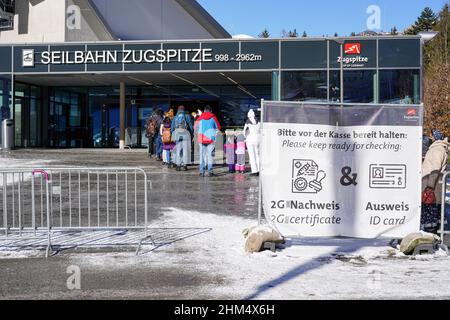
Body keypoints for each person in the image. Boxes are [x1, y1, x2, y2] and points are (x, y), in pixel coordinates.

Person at [421, 129, 450, 233]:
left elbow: (435, 169)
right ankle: (431, 233)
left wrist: (429, 186)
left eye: (432, 136)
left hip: (433, 185)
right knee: (432, 211)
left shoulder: (437, 149)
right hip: (433, 184)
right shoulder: (437, 148)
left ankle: (430, 235)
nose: (430, 138)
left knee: (430, 211)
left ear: (435, 137)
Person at [194, 105, 221, 177]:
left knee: (201, 156)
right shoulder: (213, 117)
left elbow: (195, 128)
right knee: (210, 155)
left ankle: (201, 172)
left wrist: (197, 135)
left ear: (204, 110)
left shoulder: (199, 118)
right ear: (211, 110)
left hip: (201, 138)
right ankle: (210, 171)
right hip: (211, 139)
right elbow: (218, 127)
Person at [171, 105, 194, 171]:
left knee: (178, 151)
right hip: (186, 136)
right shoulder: (187, 116)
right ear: (184, 110)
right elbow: (191, 127)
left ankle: (178, 166)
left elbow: (172, 128)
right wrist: (191, 134)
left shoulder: (175, 117)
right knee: (185, 151)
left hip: (178, 136)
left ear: (178, 110)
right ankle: (184, 165)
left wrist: (173, 134)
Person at [243, 109, 261, 176]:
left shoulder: (248, 122)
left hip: (250, 139)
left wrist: (245, 137)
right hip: (258, 139)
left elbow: (244, 132)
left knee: (252, 155)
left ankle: (254, 171)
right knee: (258, 155)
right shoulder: (259, 121)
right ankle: (259, 170)